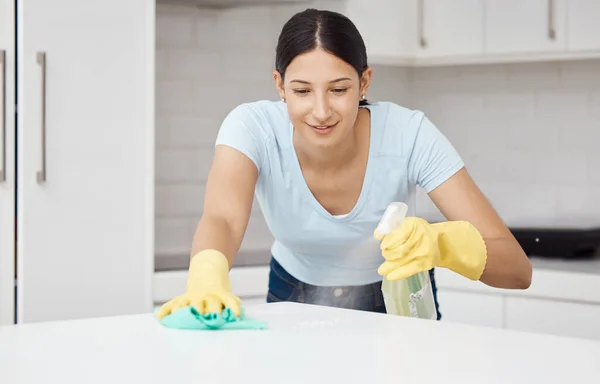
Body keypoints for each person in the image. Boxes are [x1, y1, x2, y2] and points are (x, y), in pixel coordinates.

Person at [156, 8, 532, 321]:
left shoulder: (409, 134)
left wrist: (442, 244)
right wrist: (206, 274)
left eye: (339, 89)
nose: (321, 112)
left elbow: (517, 270)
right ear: (279, 85)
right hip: (292, 293)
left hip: (398, 299)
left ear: (364, 82)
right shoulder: (251, 127)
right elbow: (222, 218)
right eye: (302, 91)